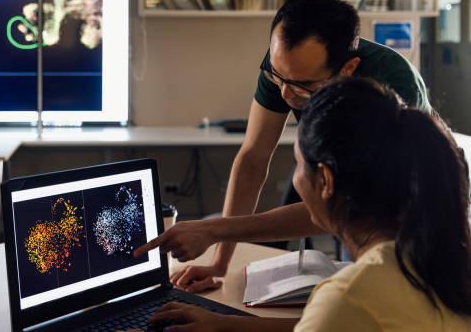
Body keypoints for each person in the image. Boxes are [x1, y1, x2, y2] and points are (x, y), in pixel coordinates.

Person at [134, 0, 432, 293]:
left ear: (347, 70)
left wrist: (212, 229)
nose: (286, 95)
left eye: (303, 85)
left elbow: (346, 205)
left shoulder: (391, 84)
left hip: (415, 211)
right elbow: (252, 159)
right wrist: (220, 263)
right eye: (278, 77)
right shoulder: (286, 68)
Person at [127, 77, 471, 331]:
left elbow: (340, 317)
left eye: (297, 164)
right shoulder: (439, 259)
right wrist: (224, 325)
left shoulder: (350, 299)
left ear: (326, 181)